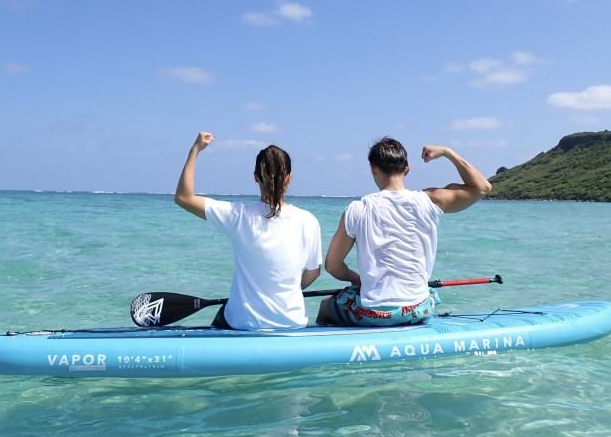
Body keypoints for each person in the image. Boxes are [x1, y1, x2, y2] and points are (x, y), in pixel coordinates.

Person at [317, 137, 491, 327]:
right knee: (426, 296)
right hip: (418, 309)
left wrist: (356, 279)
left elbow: (332, 266)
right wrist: (447, 153)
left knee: (326, 306)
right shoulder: (430, 201)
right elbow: (482, 187)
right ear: (407, 169)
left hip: (371, 313)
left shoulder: (357, 209)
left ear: (373, 169)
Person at [174, 132, 322, 330]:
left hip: (245, 323)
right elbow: (313, 273)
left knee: (225, 313)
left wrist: (195, 150)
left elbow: (183, 198)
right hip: (292, 321)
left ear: (255, 177)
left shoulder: (238, 215)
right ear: (289, 178)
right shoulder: (308, 221)